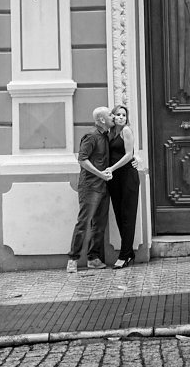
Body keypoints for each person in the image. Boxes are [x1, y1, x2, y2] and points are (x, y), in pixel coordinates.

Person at [67, 107, 114, 273]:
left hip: (103, 186)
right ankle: (73, 259)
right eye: (110, 115)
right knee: (84, 222)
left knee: (99, 224)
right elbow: (82, 160)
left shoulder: (106, 135)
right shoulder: (92, 136)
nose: (113, 116)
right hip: (90, 186)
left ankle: (93, 258)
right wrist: (100, 174)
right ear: (102, 120)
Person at [105, 105, 143, 269]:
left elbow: (129, 154)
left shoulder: (126, 131)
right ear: (112, 117)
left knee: (128, 216)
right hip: (114, 179)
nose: (121, 117)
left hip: (128, 176)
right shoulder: (109, 133)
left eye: (124, 115)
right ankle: (129, 253)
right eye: (118, 115)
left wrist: (112, 168)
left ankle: (123, 256)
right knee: (120, 216)